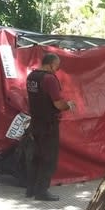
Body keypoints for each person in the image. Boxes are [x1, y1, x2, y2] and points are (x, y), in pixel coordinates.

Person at [25, 53, 75, 201]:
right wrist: (69, 105)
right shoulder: (49, 79)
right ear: (51, 64)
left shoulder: (31, 77)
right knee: (48, 158)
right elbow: (57, 103)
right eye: (57, 67)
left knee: (36, 156)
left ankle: (31, 189)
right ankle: (42, 191)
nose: (56, 70)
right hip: (48, 124)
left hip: (35, 122)